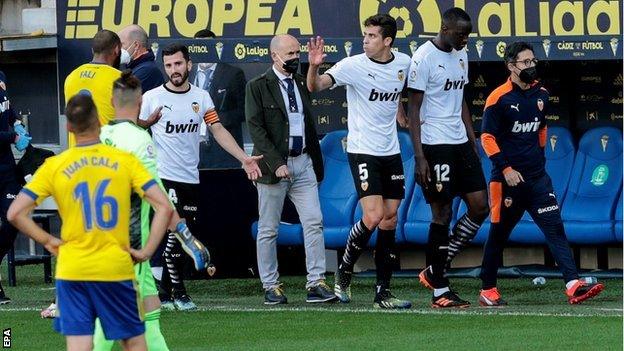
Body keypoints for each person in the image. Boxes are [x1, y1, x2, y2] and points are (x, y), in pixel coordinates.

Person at [7, 94, 173, 351]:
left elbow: (15, 213)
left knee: (80, 347)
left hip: (72, 268)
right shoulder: (124, 161)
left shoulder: (55, 165)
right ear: (99, 121)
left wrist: (49, 241)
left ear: (68, 127)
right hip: (115, 266)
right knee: (135, 344)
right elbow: (163, 205)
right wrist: (147, 251)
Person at [478, 42, 604, 306]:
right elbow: (487, 137)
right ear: (511, 66)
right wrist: (507, 169)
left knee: (555, 228)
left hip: (537, 179)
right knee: (498, 234)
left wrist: (539, 157)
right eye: (525, 62)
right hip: (507, 181)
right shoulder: (498, 98)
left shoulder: (542, 94)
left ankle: (573, 284)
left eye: (533, 61)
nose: (531, 66)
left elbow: (542, 128)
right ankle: (488, 289)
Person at [140, 44, 262, 310]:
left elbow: (217, 130)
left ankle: (164, 292)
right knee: (177, 232)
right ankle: (179, 293)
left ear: (189, 65)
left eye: (178, 64)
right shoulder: (152, 97)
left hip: (191, 177)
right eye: (169, 65)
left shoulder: (202, 97)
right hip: (163, 177)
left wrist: (243, 158)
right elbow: (134, 129)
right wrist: (145, 126)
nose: (174, 70)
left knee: (183, 234)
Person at [307, 14, 412, 309]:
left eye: (372, 36)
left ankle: (383, 292)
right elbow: (315, 87)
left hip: (391, 151)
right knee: (374, 215)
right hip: (363, 150)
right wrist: (314, 66)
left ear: (387, 41)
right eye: (364, 35)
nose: (365, 40)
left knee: (391, 217)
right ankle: (344, 274)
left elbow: (398, 92)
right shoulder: (353, 66)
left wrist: (401, 115)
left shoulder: (403, 63)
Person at [407, 7, 489, 308]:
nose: (465, 40)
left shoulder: (460, 54)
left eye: (467, 35)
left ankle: (434, 267)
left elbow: (461, 98)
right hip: (434, 144)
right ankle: (440, 289)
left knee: (480, 206)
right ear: (444, 28)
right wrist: (420, 157)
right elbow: (413, 110)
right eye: (461, 34)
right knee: (441, 214)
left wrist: (472, 137)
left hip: (460, 141)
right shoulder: (423, 58)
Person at [246, 34, 336, 305]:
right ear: (275, 56)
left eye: (298, 53)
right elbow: (256, 129)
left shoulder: (300, 81)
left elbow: (314, 87)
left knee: (313, 221)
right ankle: (270, 285)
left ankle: (316, 282)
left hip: (304, 162)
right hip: (273, 167)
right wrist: (277, 162)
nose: (295, 58)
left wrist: (314, 66)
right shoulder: (257, 86)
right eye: (290, 54)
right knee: (269, 228)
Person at [191, 29, 247, 169]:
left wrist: (214, 120)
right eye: (200, 48)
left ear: (216, 47)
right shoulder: (186, 74)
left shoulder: (233, 74)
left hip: (223, 152)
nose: (204, 51)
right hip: (193, 150)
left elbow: (245, 111)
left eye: (208, 47)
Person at [0, 71, 31, 304]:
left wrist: (18, 124)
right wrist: (12, 137)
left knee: (14, 218)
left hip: (6, 168)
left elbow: (7, 109)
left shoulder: (1, 75)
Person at [63, 30, 122, 147]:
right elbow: (129, 120)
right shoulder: (120, 78)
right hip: (108, 157)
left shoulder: (71, 76)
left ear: (92, 50)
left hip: (77, 157)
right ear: (116, 49)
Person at [118, 25, 165, 96]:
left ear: (136, 45)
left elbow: (121, 98)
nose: (118, 49)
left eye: (122, 45)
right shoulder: (133, 67)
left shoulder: (147, 70)